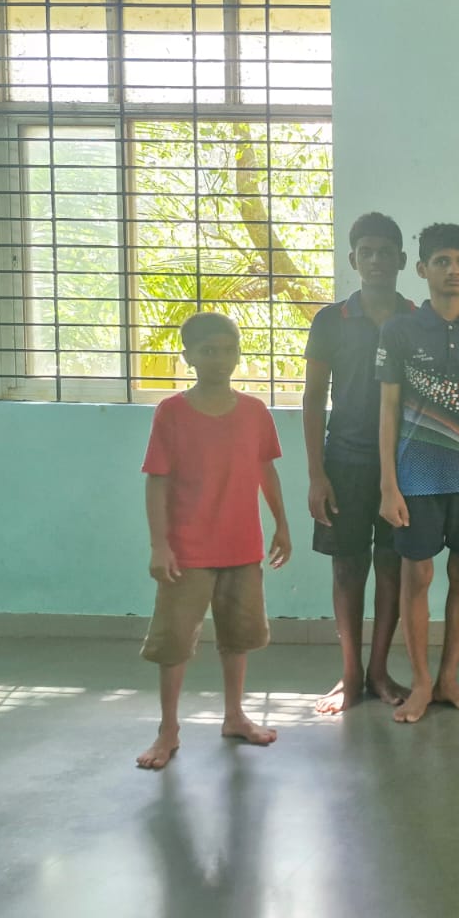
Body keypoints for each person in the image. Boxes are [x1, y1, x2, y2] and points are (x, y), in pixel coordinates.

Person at [137, 312, 291, 770]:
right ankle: (168, 728)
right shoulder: (172, 412)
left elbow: (266, 470)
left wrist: (282, 524)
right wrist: (159, 545)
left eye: (227, 350)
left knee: (237, 637)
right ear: (188, 357)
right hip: (188, 549)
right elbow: (157, 481)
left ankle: (234, 715)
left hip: (243, 546)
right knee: (174, 642)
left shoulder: (254, 412)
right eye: (208, 351)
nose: (219, 359)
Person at [377, 223, 459, 725]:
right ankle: (422, 684)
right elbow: (387, 409)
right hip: (416, 477)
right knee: (418, 576)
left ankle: (449, 679)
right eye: (440, 262)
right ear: (421, 270)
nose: (451, 270)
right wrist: (388, 483)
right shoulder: (400, 330)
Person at [303, 212, 416, 715]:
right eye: (366, 252)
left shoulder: (417, 318)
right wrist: (316, 473)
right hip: (344, 461)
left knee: (393, 567)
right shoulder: (331, 320)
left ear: (402, 260)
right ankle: (349, 675)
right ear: (352, 260)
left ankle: (378, 671)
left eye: (385, 252)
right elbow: (312, 398)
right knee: (348, 568)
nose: (375, 260)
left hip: (404, 466)